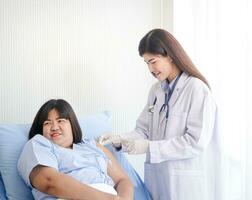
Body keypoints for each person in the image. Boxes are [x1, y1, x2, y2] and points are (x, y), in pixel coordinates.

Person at [99, 28, 223, 200]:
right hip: (158, 181)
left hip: (185, 184)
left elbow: (196, 142)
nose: (150, 68)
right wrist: (119, 139)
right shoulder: (156, 91)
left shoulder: (196, 89)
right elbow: (143, 131)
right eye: (146, 63)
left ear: (170, 56)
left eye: (153, 61)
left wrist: (150, 147)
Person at [17, 99, 134, 200]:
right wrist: (107, 199)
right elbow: (49, 182)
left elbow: (122, 180)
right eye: (47, 123)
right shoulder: (38, 144)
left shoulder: (93, 146)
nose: (54, 127)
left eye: (60, 121)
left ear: (72, 124)